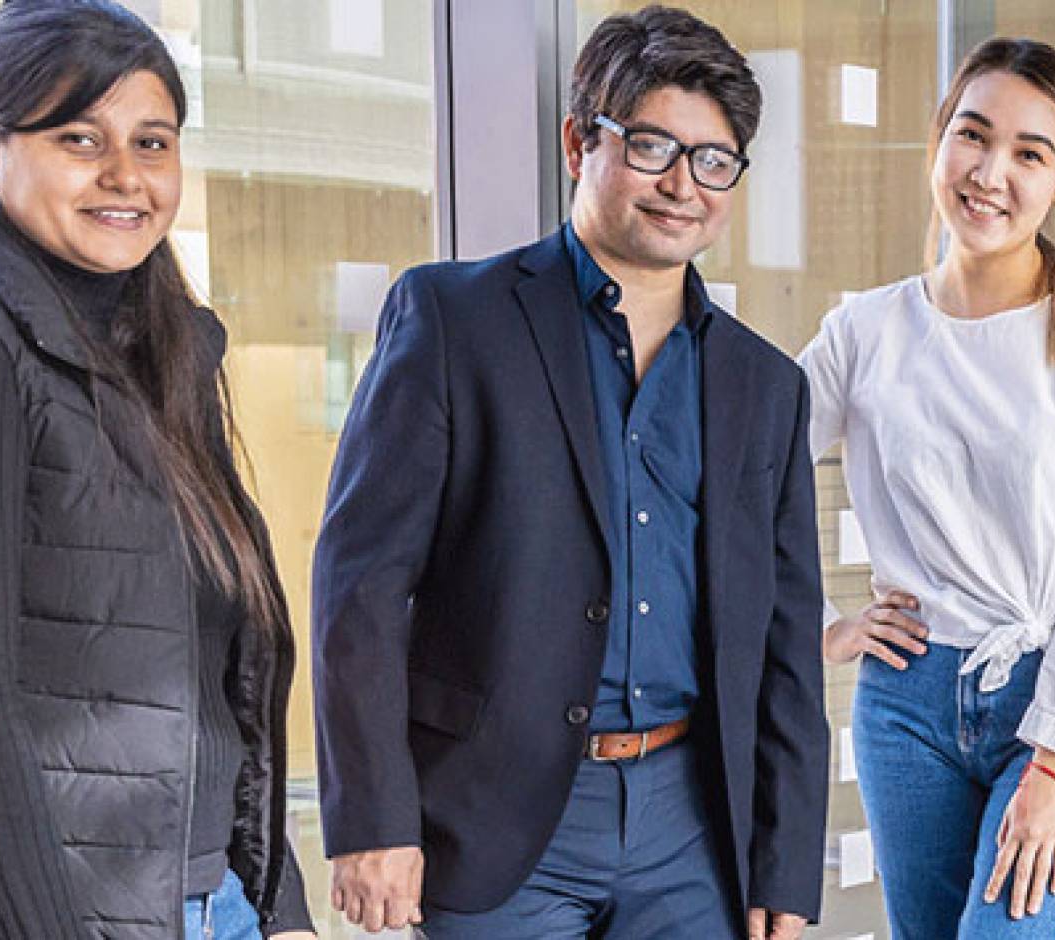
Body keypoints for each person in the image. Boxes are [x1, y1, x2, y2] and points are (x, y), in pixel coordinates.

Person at [310, 6, 828, 939]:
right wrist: (374, 816)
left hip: (691, 824)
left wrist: (785, 863)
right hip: (496, 814)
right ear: (579, 141)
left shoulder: (766, 386)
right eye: (653, 147)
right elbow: (361, 585)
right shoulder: (453, 319)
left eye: (714, 160)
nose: (682, 185)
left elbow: (786, 646)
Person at [0, 2, 315, 937]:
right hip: (8, 917)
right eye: (79, 138)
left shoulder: (165, 353)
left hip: (200, 902)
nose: (125, 174)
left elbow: (216, 684)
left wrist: (275, 901)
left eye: (152, 142)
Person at [798, 37, 1055, 938]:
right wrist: (823, 626)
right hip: (906, 700)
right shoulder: (864, 331)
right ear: (939, 139)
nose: (989, 172)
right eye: (973, 134)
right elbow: (742, 484)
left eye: (1029, 153)